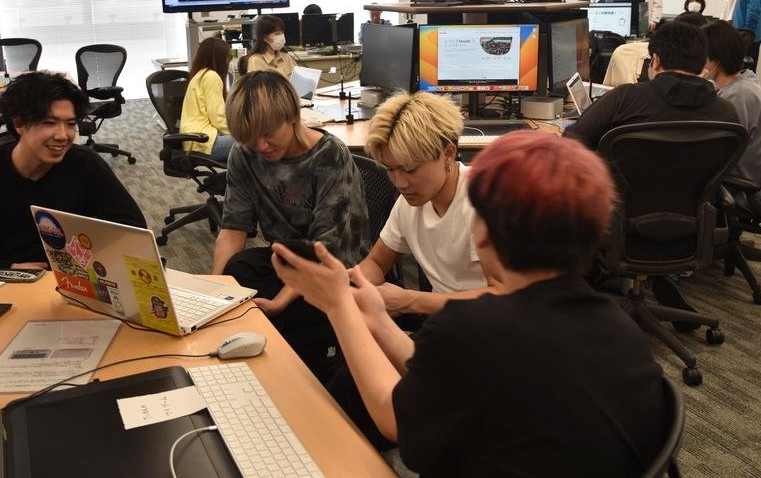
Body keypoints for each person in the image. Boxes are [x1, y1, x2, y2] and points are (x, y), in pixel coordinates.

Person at [271, 132, 666, 477]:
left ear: (484, 232)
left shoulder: (474, 328)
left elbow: (395, 419)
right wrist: (376, 319)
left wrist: (339, 306)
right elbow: (450, 377)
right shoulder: (621, 328)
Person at [212, 70, 368, 379]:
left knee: (289, 312)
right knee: (238, 269)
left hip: (335, 271)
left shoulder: (329, 157)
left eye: (268, 133)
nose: (261, 146)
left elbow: (326, 251)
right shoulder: (244, 154)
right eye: (250, 137)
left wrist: (280, 302)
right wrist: (213, 292)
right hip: (286, 261)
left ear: (293, 116)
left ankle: (297, 377)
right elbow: (233, 228)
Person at [0, 71, 146, 268]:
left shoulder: (85, 164)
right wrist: (9, 269)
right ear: (19, 123)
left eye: (70, 124)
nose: (62, 135)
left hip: (74, 277)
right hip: (4, 282)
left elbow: (133, 229)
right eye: (49, 122)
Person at [357, 92, 498, 316]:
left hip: (490, 327)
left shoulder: (483, 202)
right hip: (445, 324)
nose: (400, 183)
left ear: (448, 154)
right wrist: (355, 286)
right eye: (390, 169)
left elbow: (502, 296)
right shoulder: (408, 204)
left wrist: (411, 301)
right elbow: (376, 262)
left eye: (411, 170)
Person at [565, 20, 739, 149]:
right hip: (695, 190)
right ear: (702, 65)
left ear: (655, 60)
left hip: (623, 189)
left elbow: (572, 140)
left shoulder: (623, 98)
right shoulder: (726, 113)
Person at [703, 20, 761, 184]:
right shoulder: (747, 78)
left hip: (739, 182)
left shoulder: (738, 97)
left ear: (715, 60)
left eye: (701, 55)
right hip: (747, 170)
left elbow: (715, 153)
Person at [179, 36, 234, 162]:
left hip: (196, 140)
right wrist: (239, 132)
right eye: (228, 57)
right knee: (255, 141)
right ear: (219, 58)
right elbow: (218, 117)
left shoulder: (200, 74)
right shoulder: (211, 77)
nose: (229, 62)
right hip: (204, 142)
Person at [244, 14, 296, 80]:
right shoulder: (256, 61)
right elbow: (258, 86)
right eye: (277, 33)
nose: (281, 36)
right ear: (265, 38)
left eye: (282, 33)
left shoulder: (286, 57)